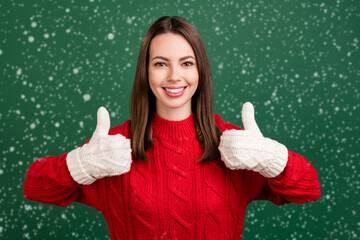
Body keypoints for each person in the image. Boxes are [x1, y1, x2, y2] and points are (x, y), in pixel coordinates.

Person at [23, 16, 321, 240]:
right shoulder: (113, 148)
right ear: (146, 71)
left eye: (187, 63)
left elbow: (309, 189)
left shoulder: (235, 146)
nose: (175, 76)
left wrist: (272, 158)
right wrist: (80, 164)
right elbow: (34, 186)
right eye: (161, 64)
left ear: (200, 70)